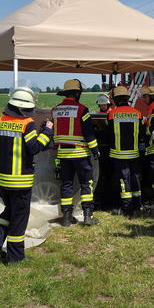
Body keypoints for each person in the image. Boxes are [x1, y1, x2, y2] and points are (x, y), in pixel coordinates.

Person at [0, 89, 54, 263]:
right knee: (19, 217)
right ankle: (15, 257)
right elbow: (34, 148)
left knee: (9, 210)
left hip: (2, 179)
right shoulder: (26, 123)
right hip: (20, 181)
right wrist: (47, 132)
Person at [53, 79, 100, 227]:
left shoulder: (55, 110)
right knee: (86, 183)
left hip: (63, 155)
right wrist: (95, 150)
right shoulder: (82, 109)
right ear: (77, 93)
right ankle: (88, 216)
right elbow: (89, 133)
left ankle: (67, 218)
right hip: (80, 154)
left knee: (66, 184)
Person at [107, 86, 143, 217]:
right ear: (127, 99)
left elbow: (108, 133)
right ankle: (137, 205)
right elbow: (142, 133)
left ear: (116, 100)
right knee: (135, 178)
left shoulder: (112, 114)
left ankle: (127, 208)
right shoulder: (138, 113)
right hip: (134, 153)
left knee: (124, 180)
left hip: (119, 154)